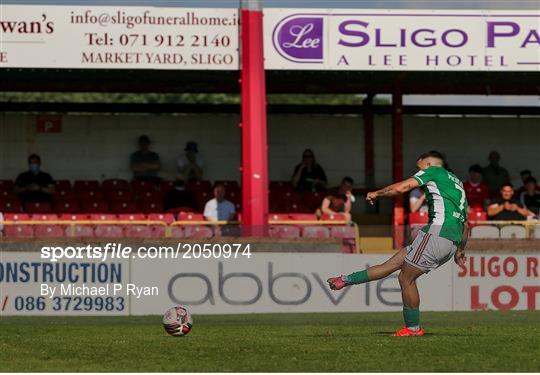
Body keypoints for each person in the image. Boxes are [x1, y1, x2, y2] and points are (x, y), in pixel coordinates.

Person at [327, 151, 468, 337]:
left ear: (427, 163)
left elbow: (402, 188)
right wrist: (460, 250)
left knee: (405, 278)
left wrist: (376, 193)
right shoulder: (456, 183)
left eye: (418, 166)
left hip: (437, 233)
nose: (416, 171)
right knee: (392, 265)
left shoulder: (432, 171)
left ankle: (413, 328)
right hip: (451, 238)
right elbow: (465, 222)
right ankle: (345, 280)